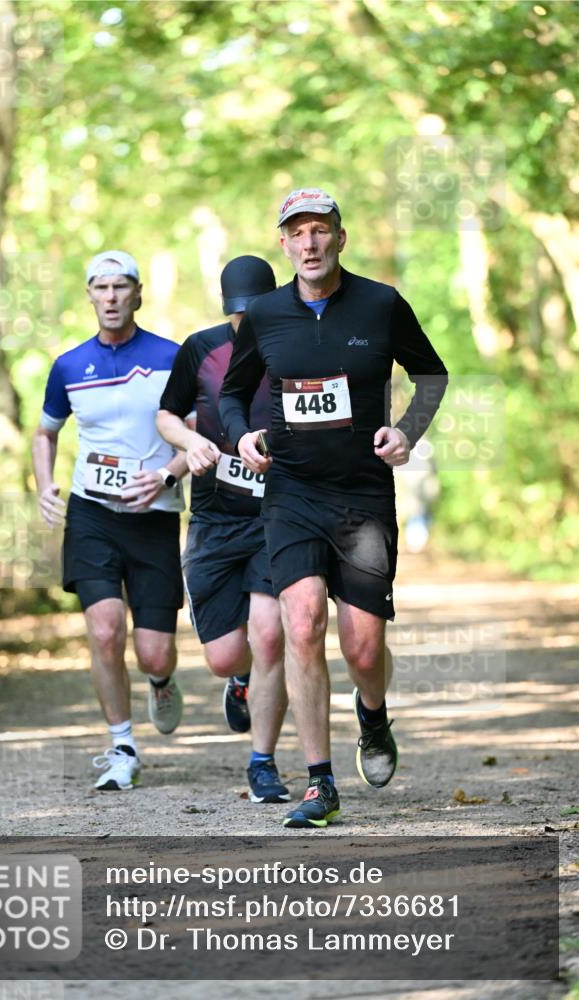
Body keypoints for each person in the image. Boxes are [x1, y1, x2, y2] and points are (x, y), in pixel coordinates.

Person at [219, 189, 448, 828]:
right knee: (300, 624)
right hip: (291, 493)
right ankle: (320, 784)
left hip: (364, 496)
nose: (310, 243)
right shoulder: (264, 315)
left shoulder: (381, 304)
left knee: (364, 646)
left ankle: (372, 718)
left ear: (340, 239)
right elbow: (234, 394)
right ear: (285, 245)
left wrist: (407, 430)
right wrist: (240, 435)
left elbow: (432, 374)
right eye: (298, 233)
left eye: (321, 230)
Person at [33, 250, 187, 792]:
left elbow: (196, 438)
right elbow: (45, 432)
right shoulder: (70, 365)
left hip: (154, 515)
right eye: (102, 288)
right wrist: (44, 484)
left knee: (153, 651)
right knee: (103, 628)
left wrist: (168, 474)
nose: (112, 297)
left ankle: (162, 681)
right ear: (91, 297)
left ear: (138, 294)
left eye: (122, 287)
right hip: (92, 513)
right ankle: (122, 744)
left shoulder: (172, 357)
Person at [156, 256, 290, 804]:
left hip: (275, 516)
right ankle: (239, 682)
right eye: (238, 316)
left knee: (270, 635)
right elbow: (167, 415)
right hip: (213, 517)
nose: (246, 325)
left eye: (255, 313)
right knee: (225, 657)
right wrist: (190, 444)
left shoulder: (296, 344)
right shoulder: (201, 349)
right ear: (225, 310)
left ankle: (263, 762)